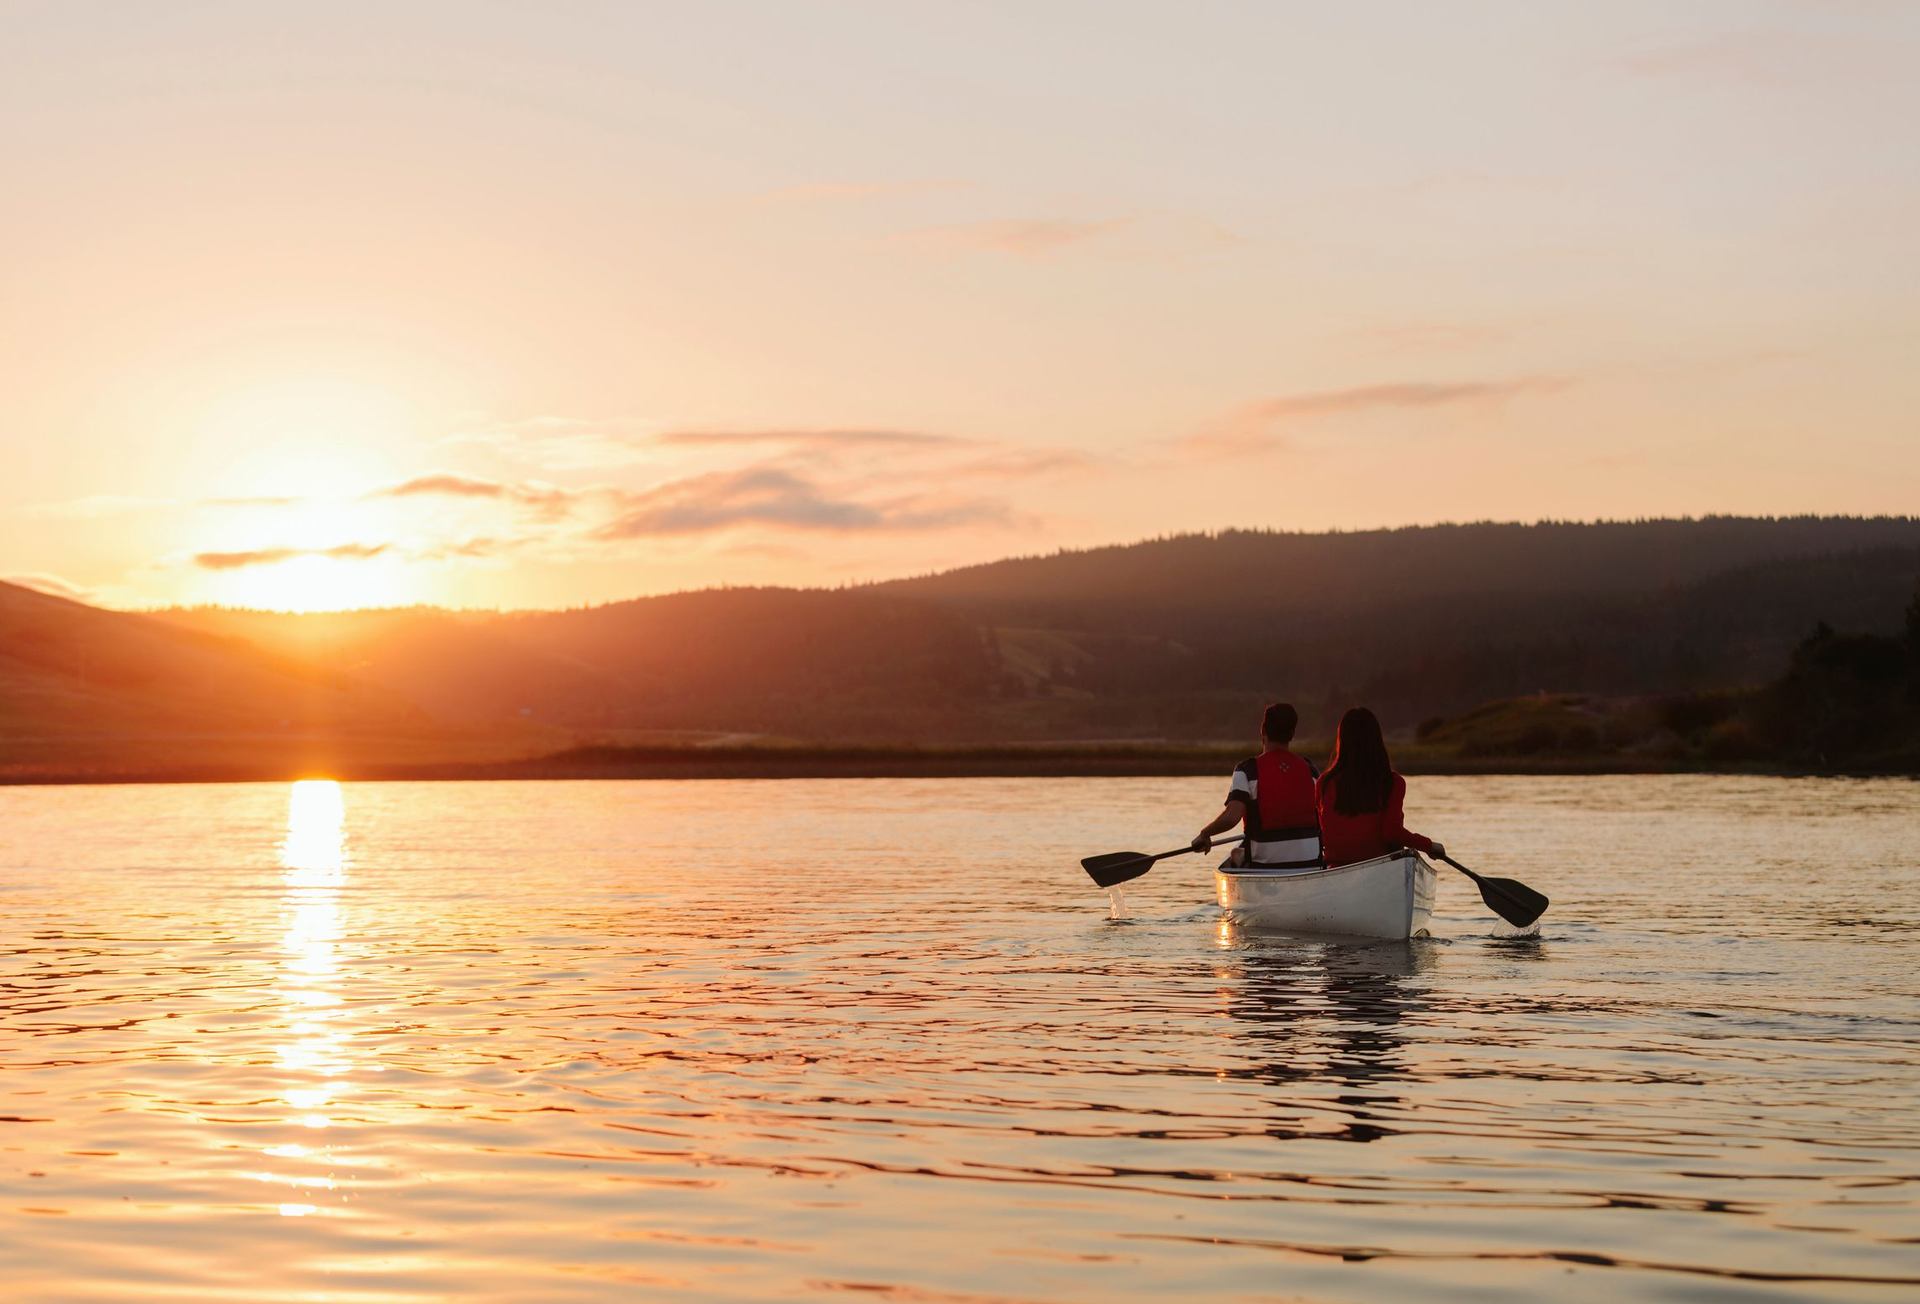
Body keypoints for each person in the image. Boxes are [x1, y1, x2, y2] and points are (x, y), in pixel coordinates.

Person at [1191, 702, 1323, 870]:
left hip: (1264, 867)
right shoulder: (1310, 769)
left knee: (1237, 855)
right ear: (1292, 734)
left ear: (1263, 731)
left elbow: (1232, 817)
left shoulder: (1247, 771)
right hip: (1311, 865)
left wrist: (1205, 834)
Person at [1315, 706, 1445, 867]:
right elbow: (1391, 832)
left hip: (1336, 868)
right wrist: (1428, 845)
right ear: (1376, 740)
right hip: (1381, 866)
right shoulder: (1392, 782)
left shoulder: (1324, 782)